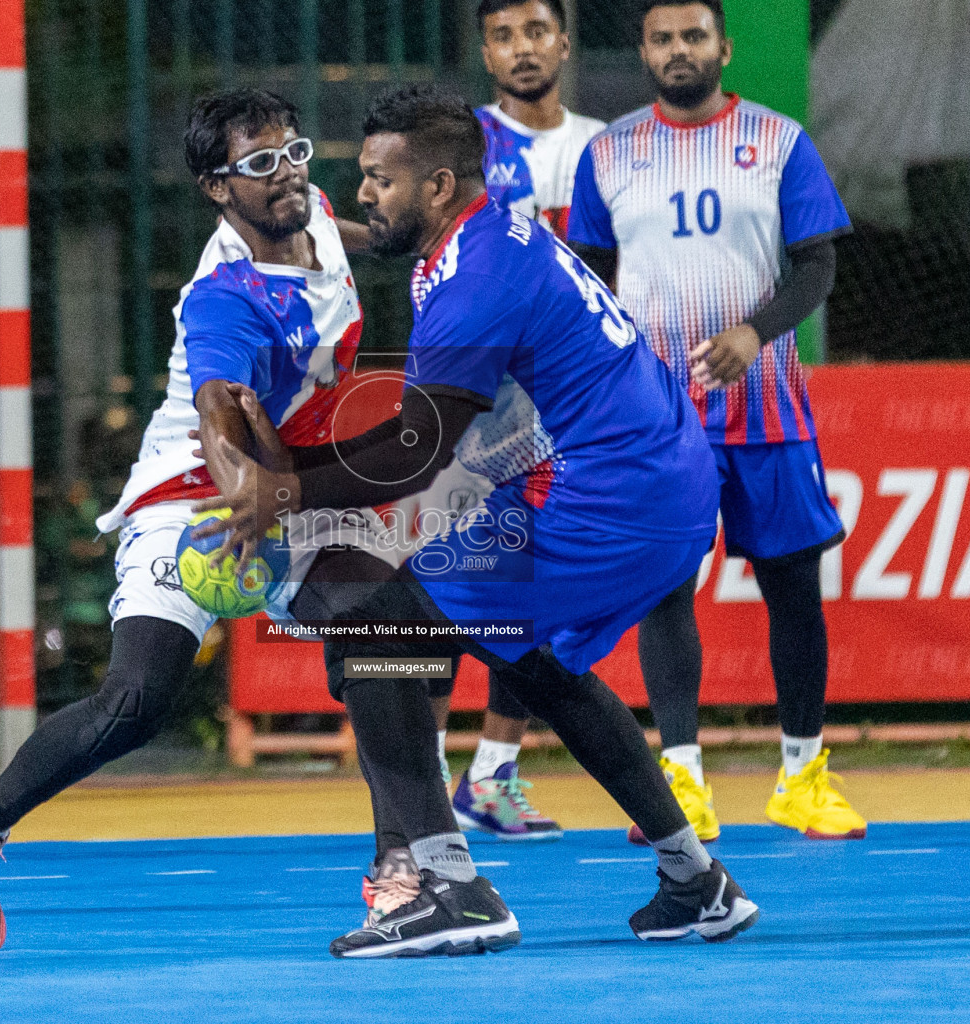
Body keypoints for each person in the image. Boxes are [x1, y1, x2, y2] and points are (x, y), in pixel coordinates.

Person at [196, 83, 759, 958]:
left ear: (439, 186)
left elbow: (416, 449)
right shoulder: (492, 235)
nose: (365, 193)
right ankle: (695, 880)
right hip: (657, 477)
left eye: (381, 179)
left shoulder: (472, 281)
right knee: (525, 658)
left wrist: (285, 487)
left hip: (611, 497)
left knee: (372, 623)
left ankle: (451, 888)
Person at [0, 89, 400, 952]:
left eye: (291, 152)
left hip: (282, 482)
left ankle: (403, 871)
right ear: (216, 188)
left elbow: (349, 235)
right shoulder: (224, 294)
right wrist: (247, 497)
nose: (286, 174)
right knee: (136, 702)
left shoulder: (315, 211)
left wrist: (414, 237)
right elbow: (220, 410)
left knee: (382, 640)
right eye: (258, 166)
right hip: (195, 493)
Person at [568, 0, 867, 843]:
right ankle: (684, 780)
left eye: (693, 35)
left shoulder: (779, 141)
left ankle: (803, 776)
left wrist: (754, 332)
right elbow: (585, 278)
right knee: (665, 589)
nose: (678, 50)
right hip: (655, 419)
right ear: (643, 51)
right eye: (662, 38)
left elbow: (817, 267)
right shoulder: (610, 152)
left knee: (793, 589)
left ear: (724, 48)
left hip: (767, 408)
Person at [424, 0, 611, 847]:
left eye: (536, 31)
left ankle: (492, 777)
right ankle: (423, 776)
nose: (522, 48)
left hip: (566, 404)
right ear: (485, 53)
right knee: (444, 580)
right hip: (477, 396)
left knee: (526, 589)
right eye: (503, 36)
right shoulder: (463, 146)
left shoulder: (608, 146)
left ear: (564, 43)